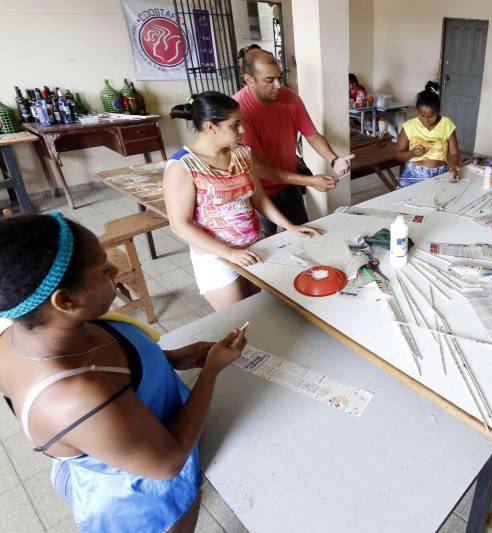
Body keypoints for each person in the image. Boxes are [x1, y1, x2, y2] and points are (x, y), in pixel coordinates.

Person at [0, 213, 249, 532]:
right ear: (66, 300)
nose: (116, 272)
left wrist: (170, 358)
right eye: (104, 269)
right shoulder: (71, 397)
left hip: (141, 439)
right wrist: (212, 370)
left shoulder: (41, 329)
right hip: (144, 498)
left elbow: (119, 367)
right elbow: (169, 463)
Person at [165, 91, 321, 310]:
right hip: (215, 257)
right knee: (239, 317)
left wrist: (289, 226)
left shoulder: (241, 154)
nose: (242, 130)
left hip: (252, 247)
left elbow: (258, 198)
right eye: (235, 125)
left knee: (257, 309)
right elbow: (179, 225)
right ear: (211, 127)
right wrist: (229, 253)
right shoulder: (182, 166)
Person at [235, 49, 354, 235]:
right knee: (267, 243)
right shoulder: (240, 111)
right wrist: (309, 181)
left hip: (289, 184)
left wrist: (334, 159)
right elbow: (259, 168)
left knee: (304, 234)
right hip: (257, 192)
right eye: (269, 80)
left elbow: (312, 135)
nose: (278, 85)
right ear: (249, 80)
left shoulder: (290, 99)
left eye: (279, 78)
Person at [395, 81, 461, 187]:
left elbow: (454, 153)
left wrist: (453, 168)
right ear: (417, 111)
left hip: (440, 174)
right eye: (422, 116)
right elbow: (398, 154)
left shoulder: (446, 124)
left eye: (431, 116)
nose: (426, 120)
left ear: (438, 111)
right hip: (414, 174)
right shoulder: (409, 126)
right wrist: (412, 153)